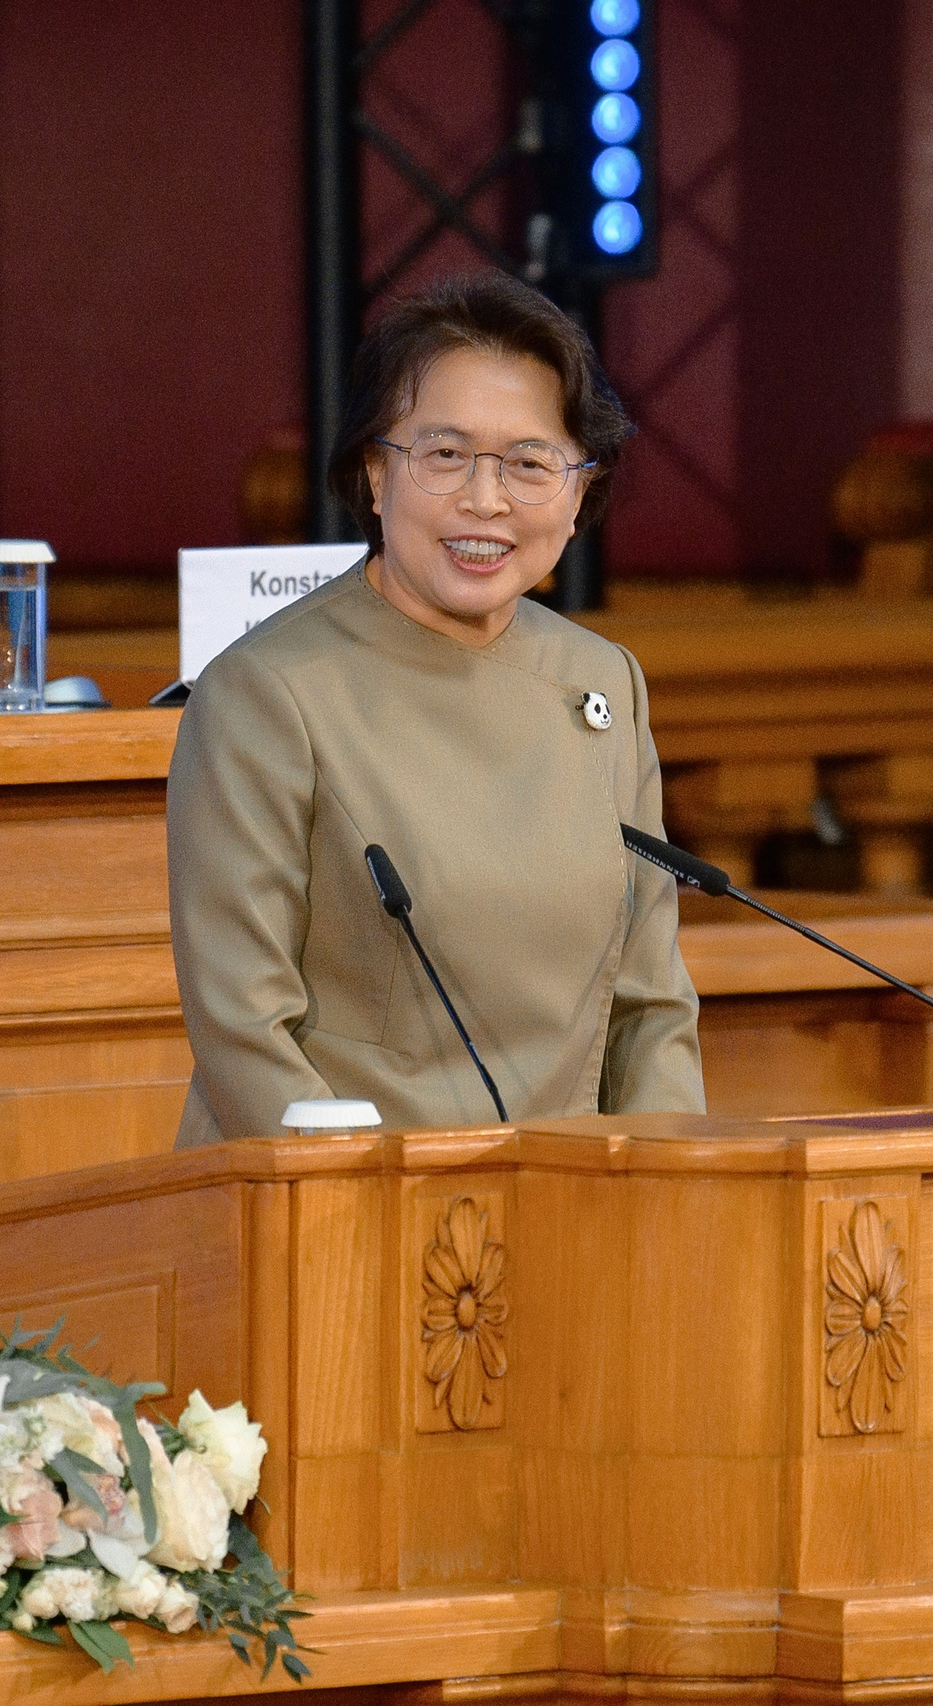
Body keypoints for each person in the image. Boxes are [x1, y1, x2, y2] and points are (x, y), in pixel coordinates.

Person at [166, 273, 706, 1143]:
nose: (485, 501)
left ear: (578, 494)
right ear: (375, 473)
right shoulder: (264, 694)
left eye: (529, 464)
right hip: (336, 1193)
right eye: (445, 455)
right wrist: (362, 1195)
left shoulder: (603, 682)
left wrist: (663, 1183)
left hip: (569, 1196)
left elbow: (650, 1007)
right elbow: (243, 1028)